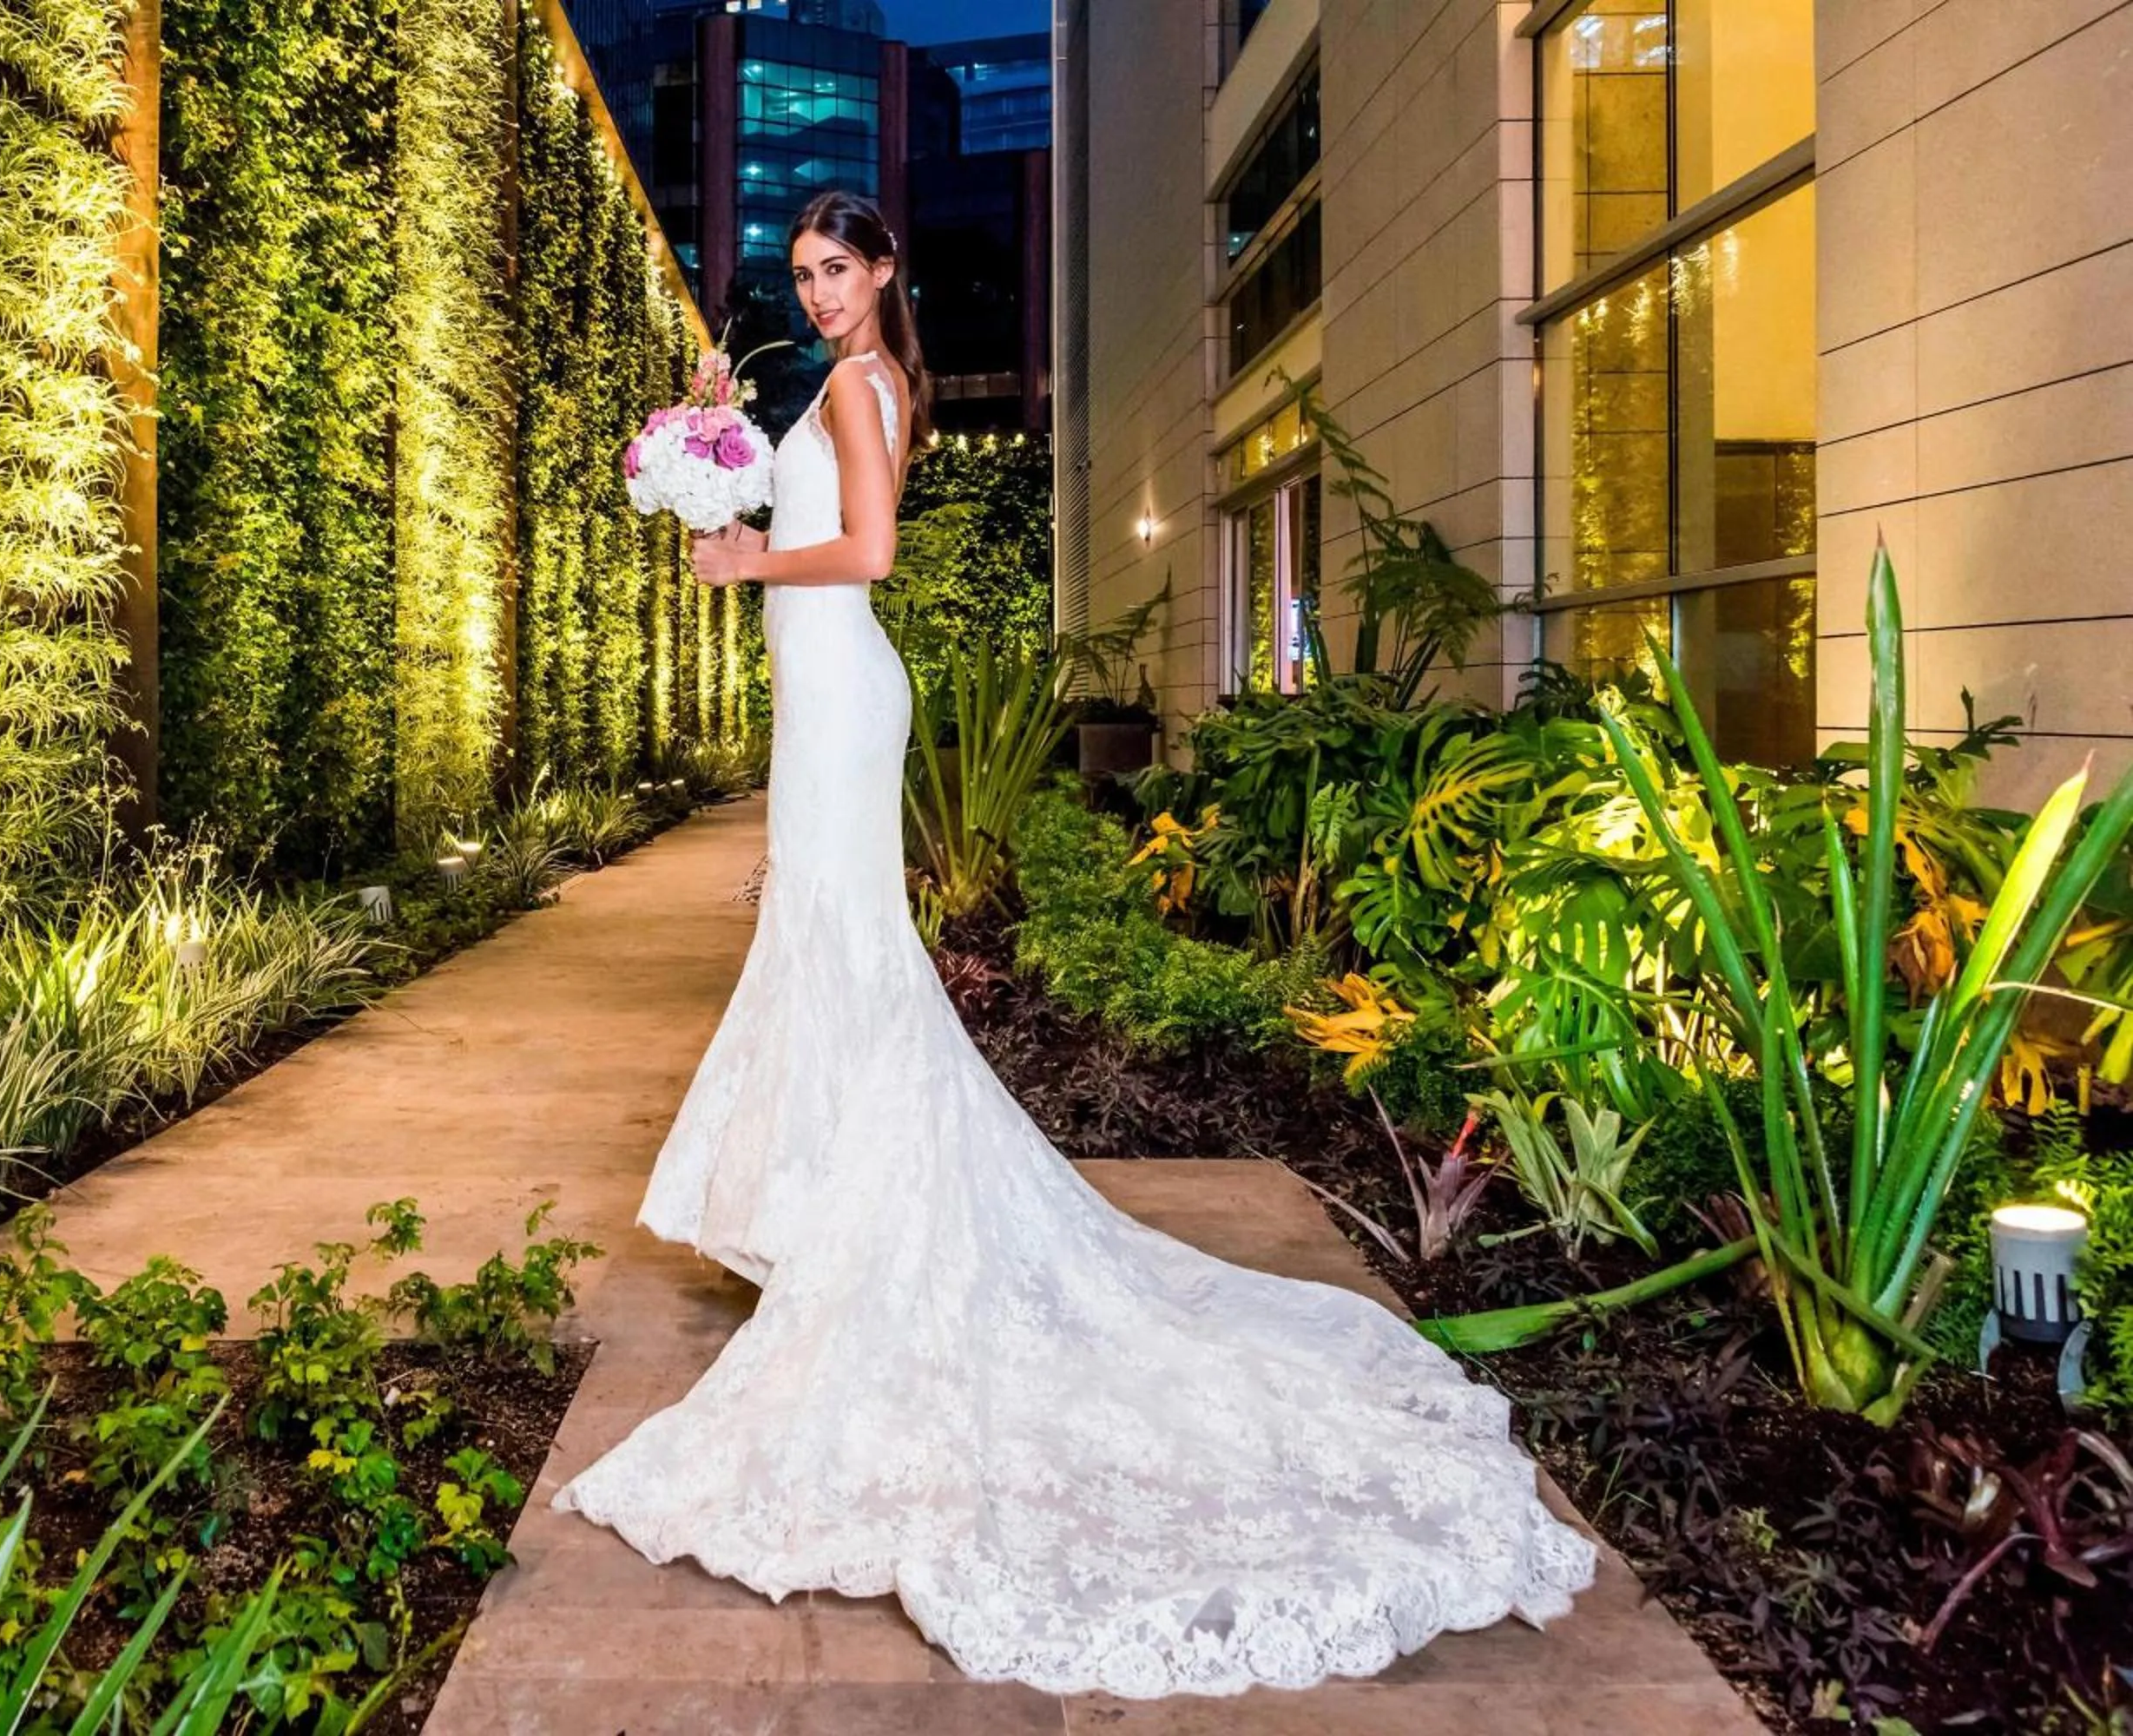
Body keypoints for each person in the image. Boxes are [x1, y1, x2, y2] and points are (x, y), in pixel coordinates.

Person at [551, 190, 1596, 1700]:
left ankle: (856, 1217)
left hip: (842, 682)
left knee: (845, 939)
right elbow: (815, 524)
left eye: (840, 269)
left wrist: (740, 562)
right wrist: (717, 471)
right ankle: (834, 1195)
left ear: (885, 271)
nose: (823, 292)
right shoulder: (851, 380)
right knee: (833, 942)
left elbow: (870, 554)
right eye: (804, 274)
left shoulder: (857, 383)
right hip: (825, 692)